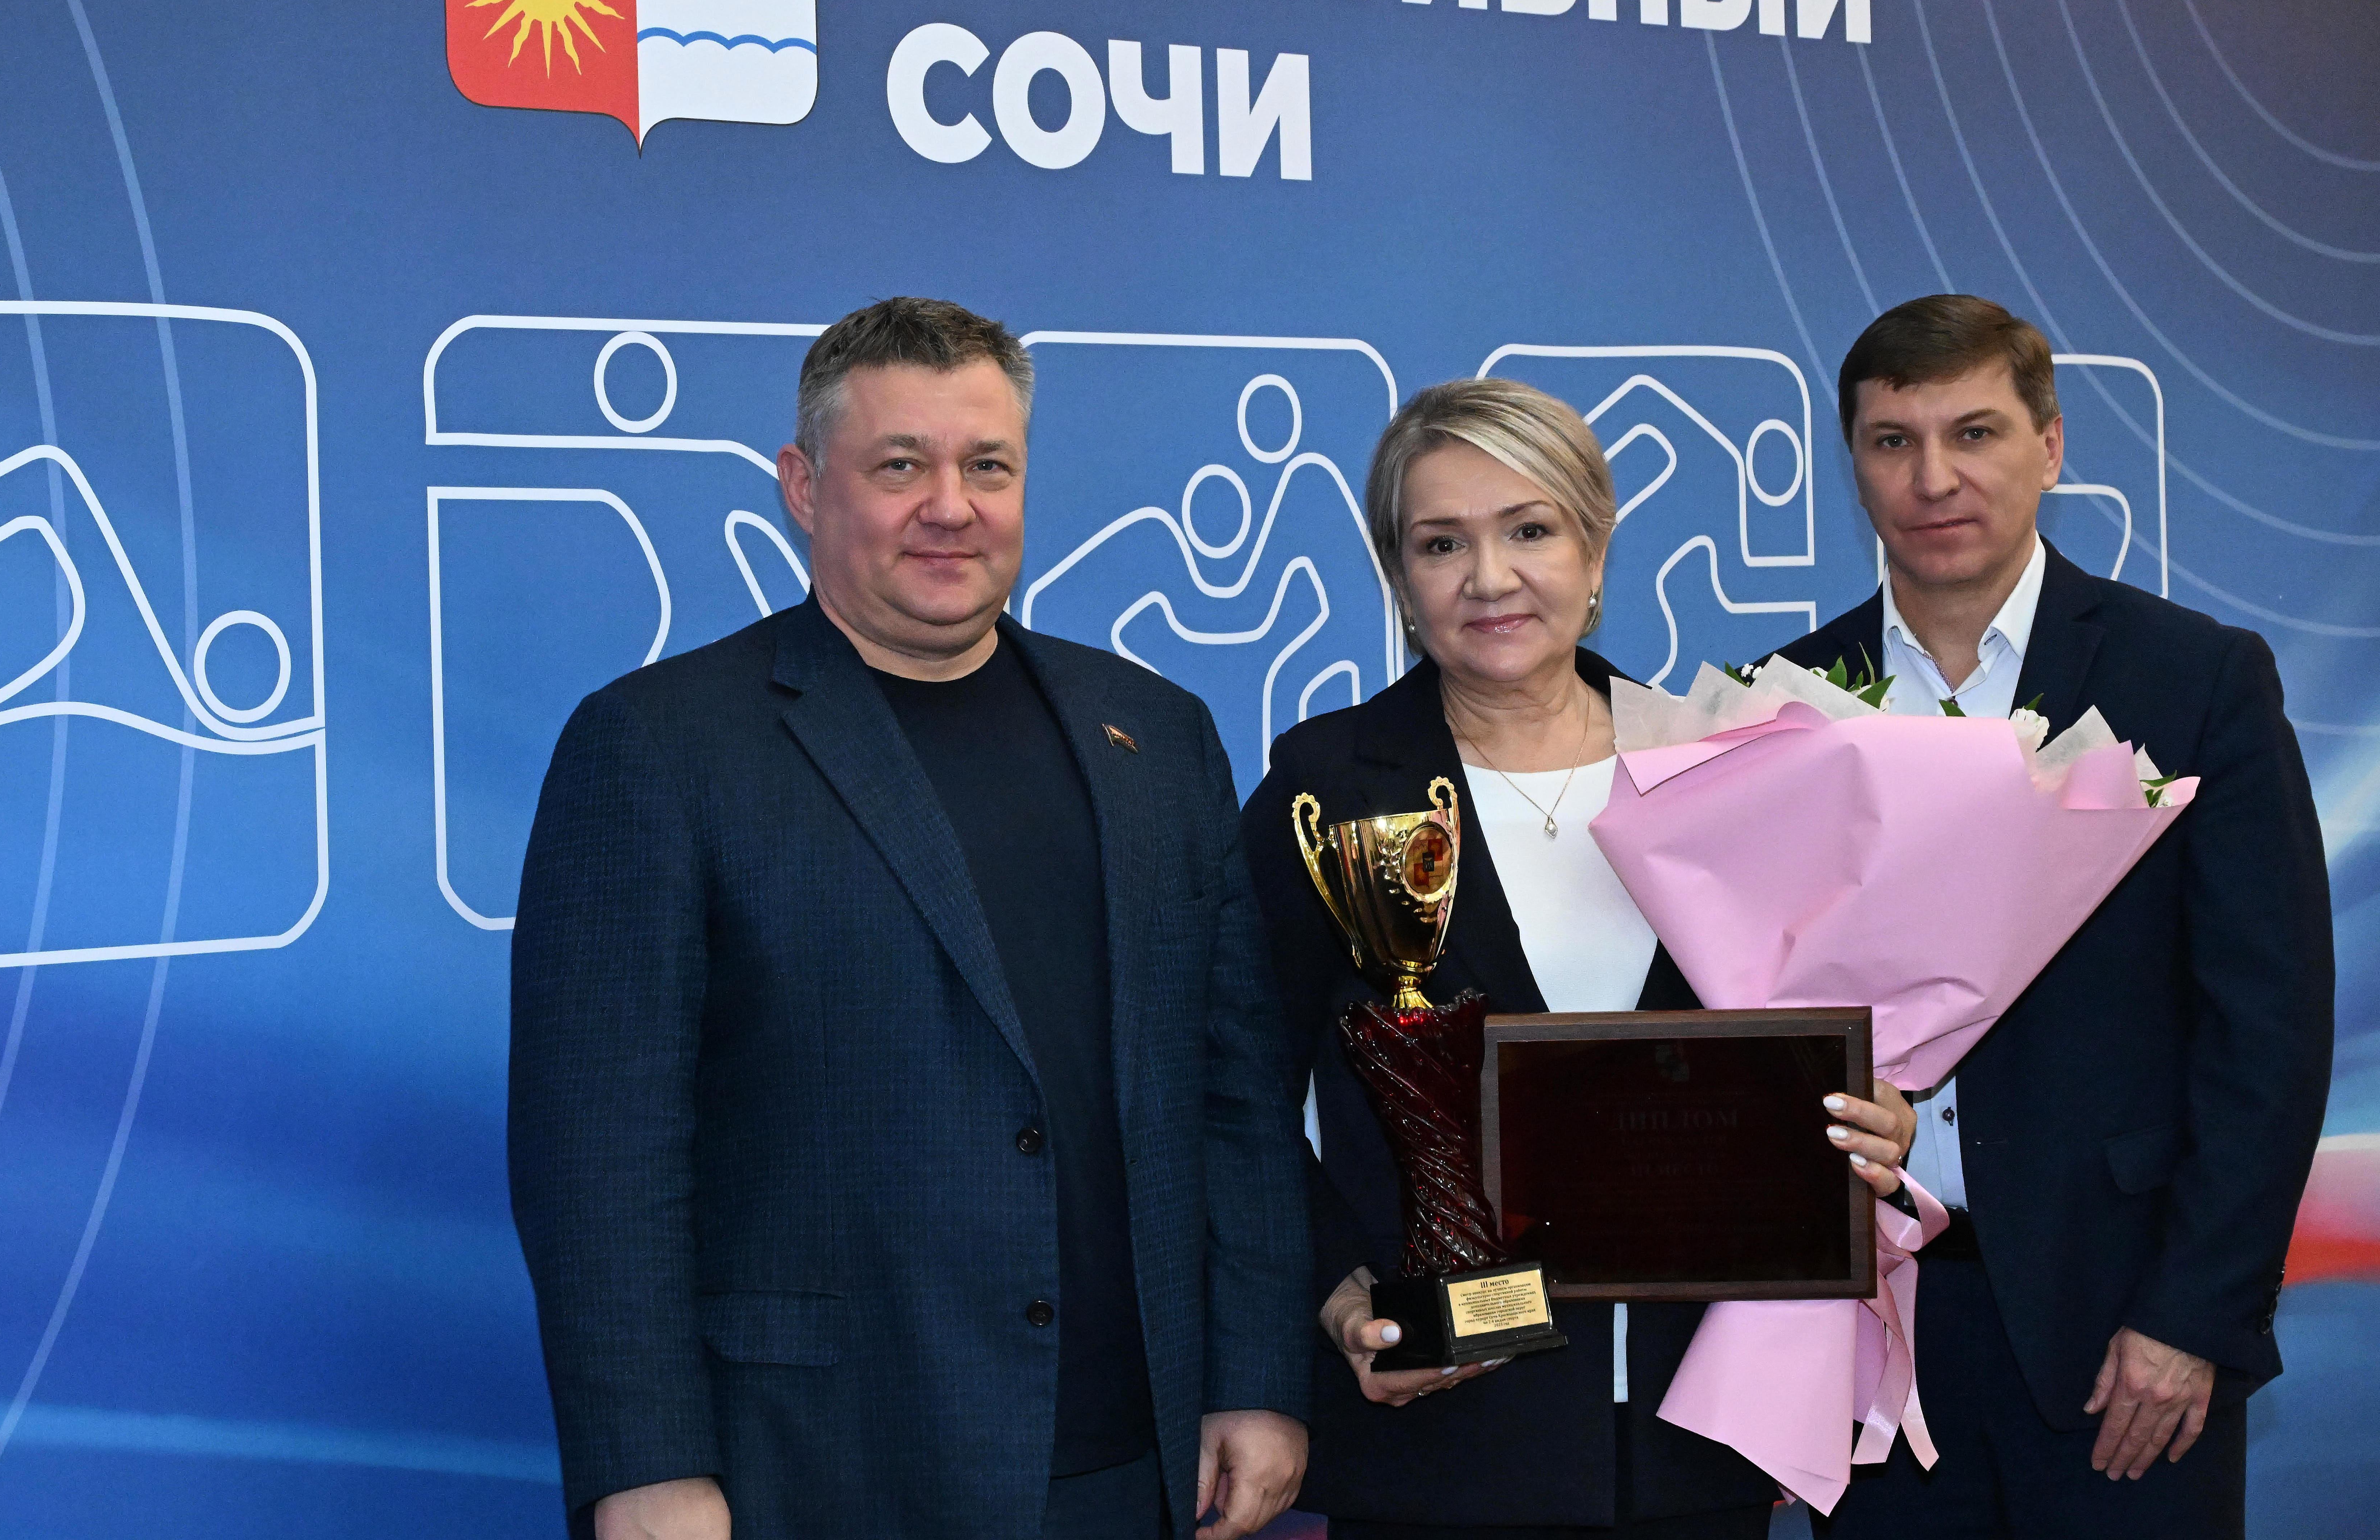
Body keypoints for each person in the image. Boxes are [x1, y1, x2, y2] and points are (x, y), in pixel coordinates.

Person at [507, 298, 1314, 1540]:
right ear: (802, 486)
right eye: (900, 466)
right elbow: (598, 1152)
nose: (951, 506)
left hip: (1132, 1470)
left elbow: (1236, 1098)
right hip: (815, 1470)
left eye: (987, 466)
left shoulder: (1156, 737)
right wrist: (645, 1464)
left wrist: (1254, 1376)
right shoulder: (658, 747)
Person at [1241, 379, 1915, 1539]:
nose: (1488, 577)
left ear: (1594, 550)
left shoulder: (1728, 760)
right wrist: (1337, 1286)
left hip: (1695, 1433)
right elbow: (1233, 1092)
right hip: (1445, 1431)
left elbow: (1789, 1053)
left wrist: (1866, 1121)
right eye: (1440, 543)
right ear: (1397, 575)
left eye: (1529, 529)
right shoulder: (1328, 788)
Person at [1772, 295, 2332, 1539]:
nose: (1933, 478)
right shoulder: (1783, 698)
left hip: (2123, 1333)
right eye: (1891, 441)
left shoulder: (2191, 680)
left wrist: (2193, 1315)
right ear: (1852, 464)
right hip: (1876, 1347)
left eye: (1972, 433)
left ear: (2051, 446)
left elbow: (2269, 1029)